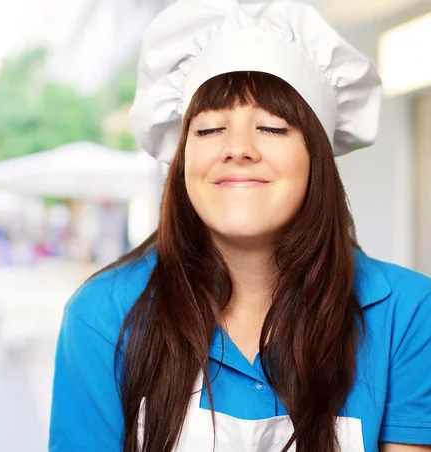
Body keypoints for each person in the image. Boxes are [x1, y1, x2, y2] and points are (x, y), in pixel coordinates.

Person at [49, 1, 431, 451]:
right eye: (210, 130)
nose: (238, 148)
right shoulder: (104, 315)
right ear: (182, 159)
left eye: (272, 127)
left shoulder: (407, 314)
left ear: (317, 159)